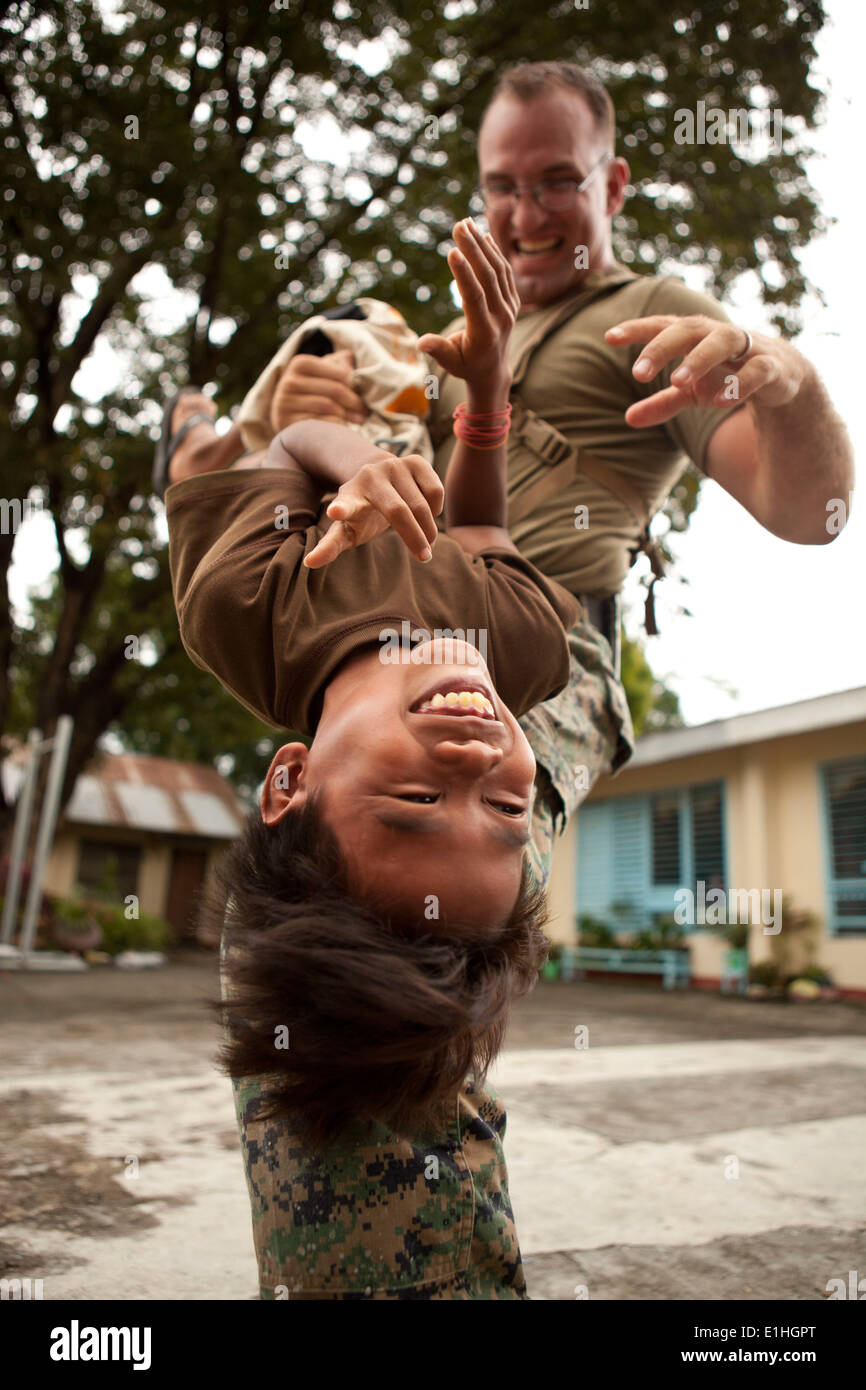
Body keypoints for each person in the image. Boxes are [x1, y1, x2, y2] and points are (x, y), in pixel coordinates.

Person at [160, 222, 581, 1298]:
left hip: (292, 437)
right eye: (501, 808)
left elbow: (295, 444)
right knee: (387, 372)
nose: (478, 754)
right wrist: (484, 392)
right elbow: (480, 534)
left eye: (412, 796)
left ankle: (187, 421)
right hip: (425, 407)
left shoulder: (242, 609)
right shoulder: (525, 651)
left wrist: (356, 459)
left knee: (233, 433)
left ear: (288, 778)